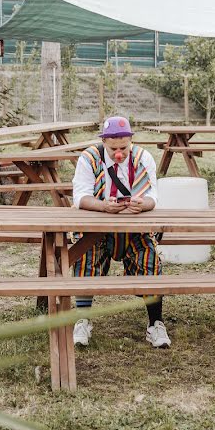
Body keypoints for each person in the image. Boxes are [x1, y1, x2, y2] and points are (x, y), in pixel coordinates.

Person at [70, 115, 170, 348]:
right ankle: (82, 319)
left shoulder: (143, 158)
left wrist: (142, 204)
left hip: (135, 229)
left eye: (124, 147)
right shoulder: (89, 158)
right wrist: (103, 206)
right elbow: (81, 197)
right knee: (84, 257)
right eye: (113, 148)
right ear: (104, 142)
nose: (119, 153)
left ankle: (156, 323)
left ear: (131, 141)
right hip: (96, 228)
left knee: (150, 259)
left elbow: (153, 196)